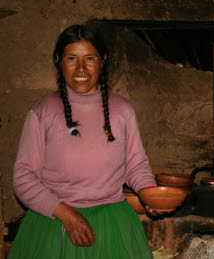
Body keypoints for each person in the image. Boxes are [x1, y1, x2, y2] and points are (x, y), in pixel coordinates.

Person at [9, 24, 162, 258]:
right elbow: (23, 177)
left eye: (89, 58)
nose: (81, 68)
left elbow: (135, 164)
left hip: (112, 226)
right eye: (72, 58)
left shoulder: (123, 110)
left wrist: (149, 193)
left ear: (103, 60)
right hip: (55, 224)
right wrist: (65, 214)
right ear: (59, 60)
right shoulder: (43, 112)